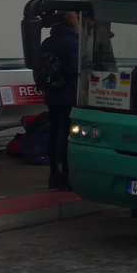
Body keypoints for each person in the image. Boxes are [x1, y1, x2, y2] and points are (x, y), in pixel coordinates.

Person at [41, 10, 79, 190]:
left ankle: (53, 174)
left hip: (52, 93)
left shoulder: (48, 42)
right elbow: (75, 69)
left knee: (54, 132)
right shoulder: (74, 43)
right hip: (69, 93)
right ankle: (66, 175)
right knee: (67, 134)